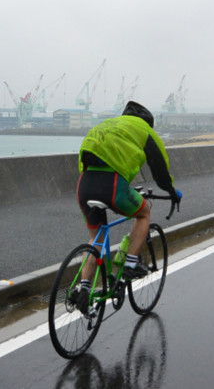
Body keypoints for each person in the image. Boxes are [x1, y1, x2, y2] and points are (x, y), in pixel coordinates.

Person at [75, 101, 180, 311]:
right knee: (144, 213)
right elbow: (159, 170)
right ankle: (130, 264)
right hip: (112, 185)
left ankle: (83, 288)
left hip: (84, 184)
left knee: (97, 237)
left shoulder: (110, 124)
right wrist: (171, 192)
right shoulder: (144, 131)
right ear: (148, 122)